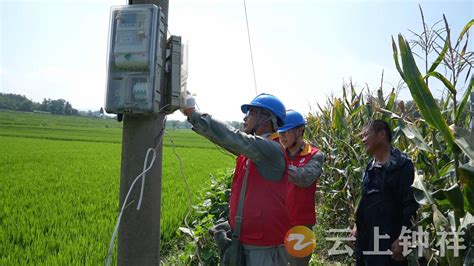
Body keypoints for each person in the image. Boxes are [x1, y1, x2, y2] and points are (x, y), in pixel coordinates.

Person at [181, 92, 291, 266]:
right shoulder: (254, 151)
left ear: (267, 118)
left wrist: (193, 113)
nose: (245, 118)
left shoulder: (271, 149)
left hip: (263, 249)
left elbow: (233, 137)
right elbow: (225, 139)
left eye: (251, 113)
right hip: (249, 242)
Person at [351, 119, 419, 266]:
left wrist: (403, 238)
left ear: (382, 134)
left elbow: (410, 206)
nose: (363, 140)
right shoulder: (371, 166)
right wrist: (357, 226)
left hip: (389, 241)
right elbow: (365, 199)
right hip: (367, 239)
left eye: (366, 135)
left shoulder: (402, 165)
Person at [277, 110, 324, 266]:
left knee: (299, 263)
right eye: (280, 132)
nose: (282, 136)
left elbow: (304, 178)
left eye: (287, 131)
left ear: (299, 131)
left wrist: (279, 165)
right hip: (277, 221)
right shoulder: (276, 152)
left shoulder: (315, 155)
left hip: (301, 223)